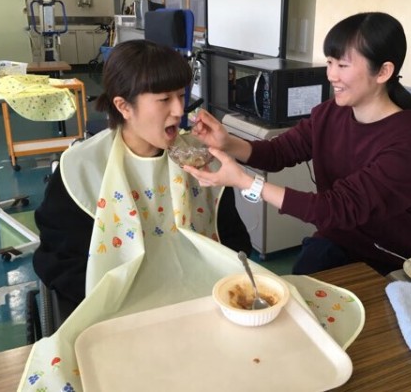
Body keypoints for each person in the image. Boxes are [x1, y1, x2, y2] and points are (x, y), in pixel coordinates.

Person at [185, 11, 411, 276]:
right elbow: (278, 152)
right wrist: (227, 142)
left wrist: (247, 183)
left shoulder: (409, 142)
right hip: (336, 240)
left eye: (343, 65)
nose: (331, 75)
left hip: (389, 257)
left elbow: (337, 207)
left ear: (383, 71)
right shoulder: (330, 113)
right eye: (330, 62)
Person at [33, 39, 251, 315]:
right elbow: (60, 261)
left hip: (205, 297)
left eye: (181, 95)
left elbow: (234, 242)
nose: (179, 110)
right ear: (124, 106)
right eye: (164, 99)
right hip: (119, 307)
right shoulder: (82, 167)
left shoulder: (202, 160)